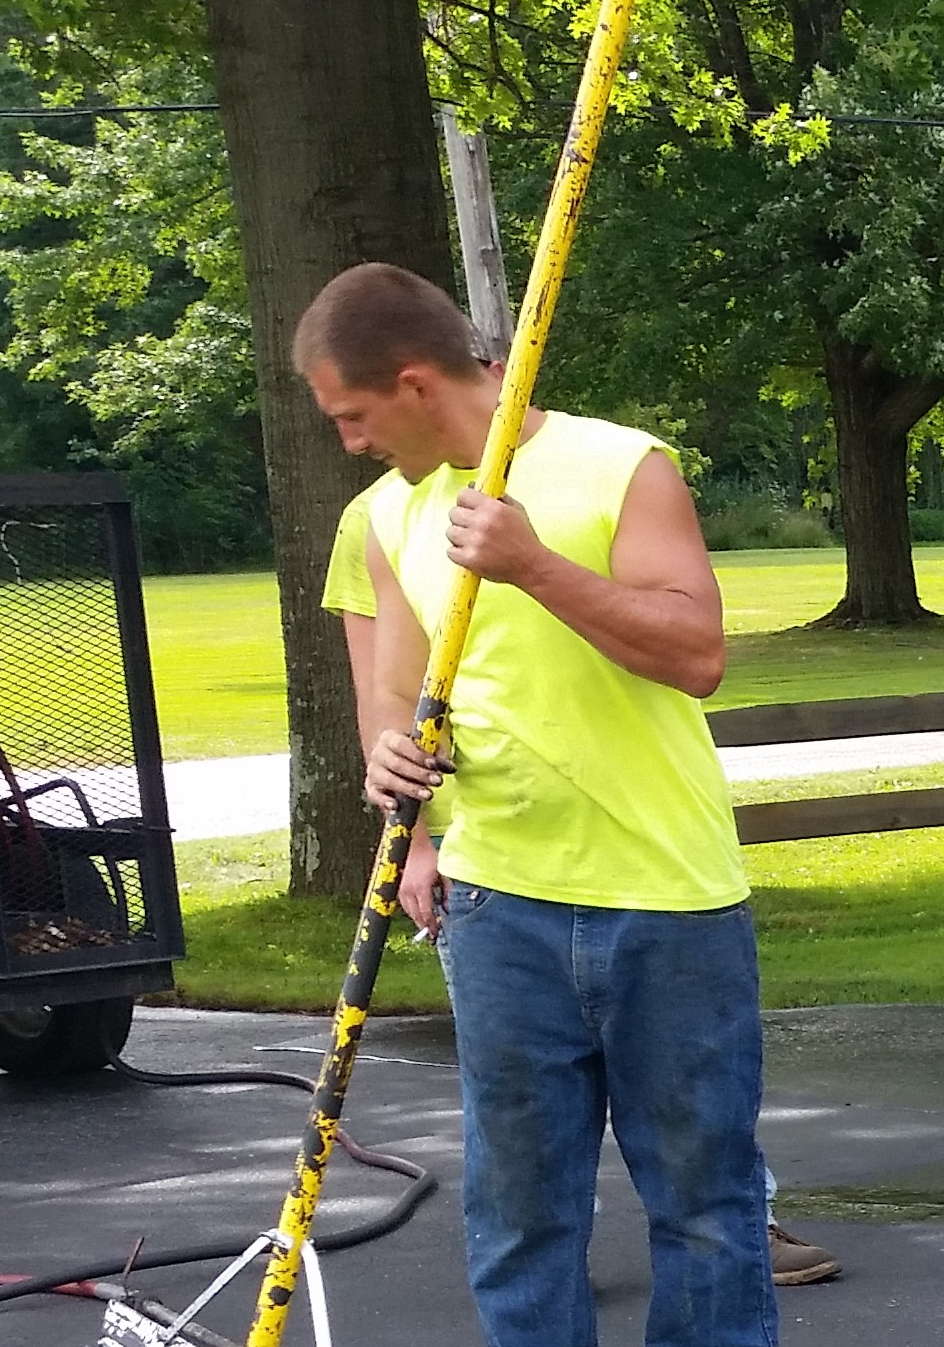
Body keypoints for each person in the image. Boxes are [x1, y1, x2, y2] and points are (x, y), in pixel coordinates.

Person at [294, 259, 793, 1347]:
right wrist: (394, 773)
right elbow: (398, 698)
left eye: (352, 415)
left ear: (413, 382)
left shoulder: (619, 467)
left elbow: (694, 652)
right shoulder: (391, 516)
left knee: (701, 1189)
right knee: (522, 1202)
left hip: (668, 895)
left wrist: (528, 566)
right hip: (501, 901)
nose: (348, 442)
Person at [323, 465, 841, 1293]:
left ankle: (747, 1222)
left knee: (684, 1085)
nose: (354, 434)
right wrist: (411, 841)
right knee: (527, 1100)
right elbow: (381, 687)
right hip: (481, 847)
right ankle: (555, 1259)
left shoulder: (590, 469)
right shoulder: (377, 515)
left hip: (630, 835)